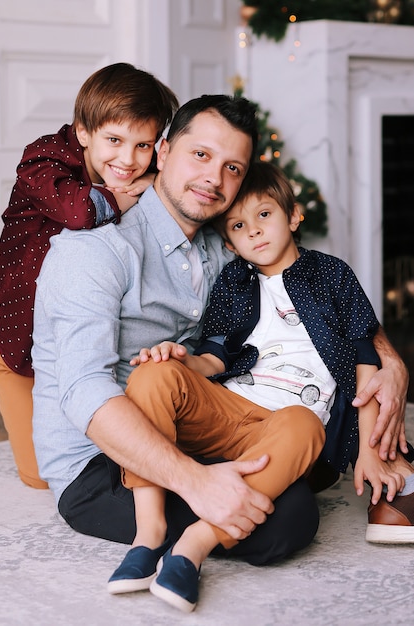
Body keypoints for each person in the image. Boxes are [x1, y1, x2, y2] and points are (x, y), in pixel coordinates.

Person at [31, 95, 409, 584]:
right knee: (285, 523)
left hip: (193, 424)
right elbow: (84, 391)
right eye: (201, 155)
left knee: (293, 498)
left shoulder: (225, 245)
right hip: (99, 460)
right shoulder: (93, 250)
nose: (215, 178)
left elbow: (321, 294)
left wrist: (391, 362)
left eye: (233, 167)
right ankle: (162, 538)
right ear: (163, 152)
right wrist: (196, 482)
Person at [107, 162, 414, 612]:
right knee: (152, 374)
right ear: (229, 242)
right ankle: (148, 532)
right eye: (238, 225)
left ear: (293, 216)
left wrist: (369, 447)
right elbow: (213, 359)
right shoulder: (234, 282)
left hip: (285, 428)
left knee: (304, 423)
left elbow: (365, 360)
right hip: (230, 407)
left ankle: (196, 541)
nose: (254, 232)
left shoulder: (332, 276)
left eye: (264, 215)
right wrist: (180, 358)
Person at [0, 62, 178, 488]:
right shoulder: (42, 158)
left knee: (105, 449)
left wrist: (155, 181)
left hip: (76, 335)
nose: (128, 160)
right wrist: (128, 195)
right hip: (17, 337)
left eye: (143, 146)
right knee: (41, 477)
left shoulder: (146, 172)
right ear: (83, 132)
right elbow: (78, 212)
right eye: (114, 140)